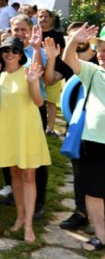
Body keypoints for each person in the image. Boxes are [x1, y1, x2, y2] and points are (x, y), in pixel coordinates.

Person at [42, 22, 100, 231]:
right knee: (79, 171)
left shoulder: (100, 59)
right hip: (76, 124)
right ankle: (81, 212)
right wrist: (51, 60)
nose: (79, 38)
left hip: (99, 126)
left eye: (83, 35)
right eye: (74, 35)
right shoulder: (69, 60)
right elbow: (49, 80)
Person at [0, 36, 49, 243]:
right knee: (14, 174)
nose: (10, 53)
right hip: (8, 131)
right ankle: (19, 218)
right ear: (1, 53)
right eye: (6, 49)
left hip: (28, 130)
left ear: (20, 55)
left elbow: (38, 101)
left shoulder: (28, 72)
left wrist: (33, 82)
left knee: (28, 176)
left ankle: (29, 225)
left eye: (15, 50)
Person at [60, 24, 105, 252]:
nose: (102, 53)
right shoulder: (93, 71)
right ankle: (100, 236)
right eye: (101, 49)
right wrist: (74, 40)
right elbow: (68, 58)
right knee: (93, 191)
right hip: (94, 144)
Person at [38, 8, 66, 136]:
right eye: (40, 16)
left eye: (45, 16)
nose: (42, 18)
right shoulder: (34, 34)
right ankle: (37, 126)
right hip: (36, 72)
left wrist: (59, 71)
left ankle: (50, 129)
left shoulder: (58, 35)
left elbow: (64, 54)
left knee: (51, 101)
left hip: (53, 73)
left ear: (51, 19)